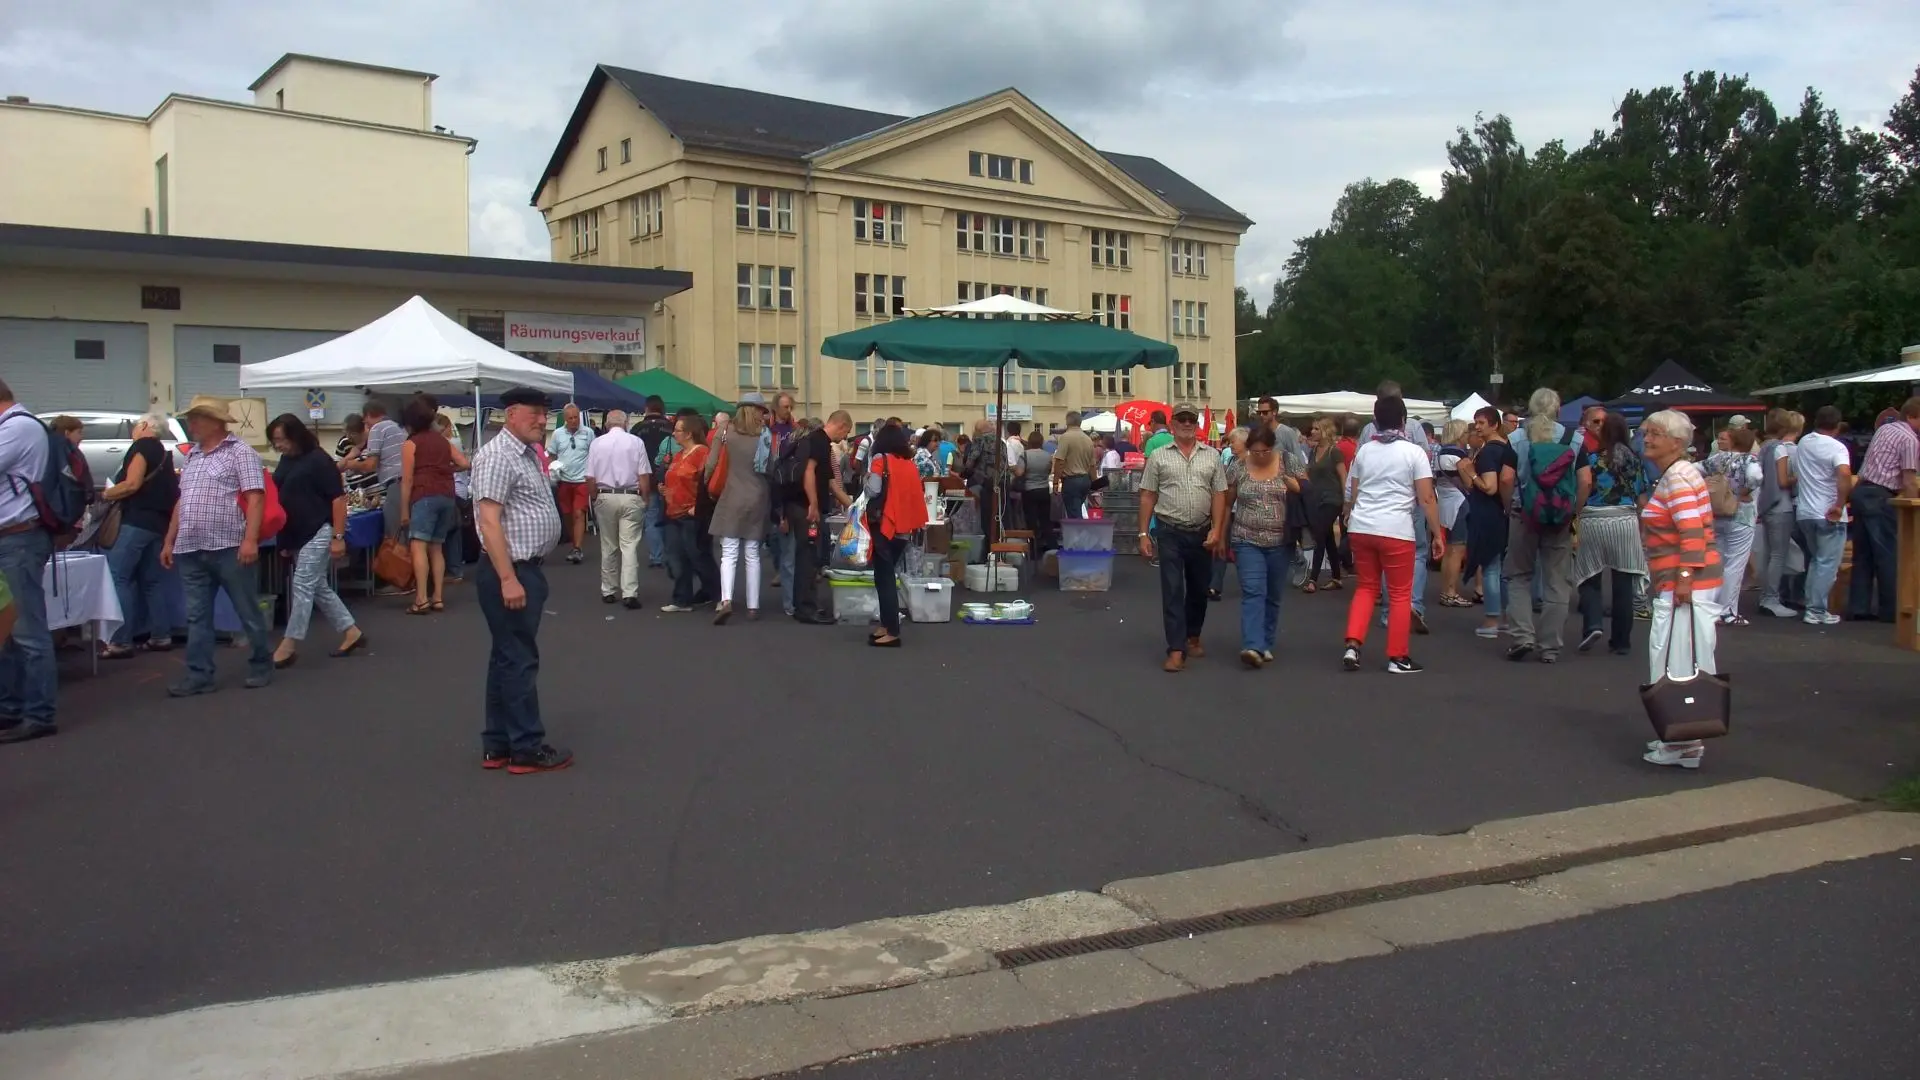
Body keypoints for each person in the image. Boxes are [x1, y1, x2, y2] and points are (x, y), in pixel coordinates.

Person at [470, 386, 571, 774]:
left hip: (524, 568)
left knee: (506, 656)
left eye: (545, 414)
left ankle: (498, 743)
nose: (543, 421)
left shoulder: (526, 453)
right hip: (511, 569)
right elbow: (488, 521)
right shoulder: (498, 455)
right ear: (511, 414)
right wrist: (508, 578)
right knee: (519, 659)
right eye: (535, 414)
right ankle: (526, 746)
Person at [161, 398, 274, 697]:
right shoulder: (193, 455)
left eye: (197, 418)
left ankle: (261, 663)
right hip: (191, 546)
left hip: (229, 545)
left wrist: (250, 540)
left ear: (216, 422)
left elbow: (255, 497)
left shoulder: (240, 452)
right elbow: (182, 500)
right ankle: (199, 674)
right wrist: (170, 540)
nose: (191, 424)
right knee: (197, 615)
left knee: (246, 608)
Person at [1638, 409, 1724, 770]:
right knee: (1682, 657)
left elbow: (1691, 531)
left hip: (1684, 582)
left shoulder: (1676, 478)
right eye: (1647, 432)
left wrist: (1684, 578)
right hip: (1685, 580)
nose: (1647, 438)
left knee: (1676, 661)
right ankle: (1682, 737)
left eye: (1655, 433)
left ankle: (1683, 740)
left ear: (1676, 442)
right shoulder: (1680, 473)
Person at [1340, 395, 1445, 674]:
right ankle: (1398, 656)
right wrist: (1437, 534)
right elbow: (1427, 498)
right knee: (1399, 594)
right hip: (1396, 529)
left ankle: (1352, 645)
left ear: (1375, 421)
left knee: (1366, 588)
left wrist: (1350, 514)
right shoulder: (1414, 453)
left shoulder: (1364, 451)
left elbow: (1353, 491)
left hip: (1362, 526)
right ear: (1403, 420)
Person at [267, 414, 362, 667]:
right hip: (297, 532)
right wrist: (284, 541)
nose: (278, 445)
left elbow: (338, 499)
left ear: (295, 435)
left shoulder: (319, 460)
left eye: (281, 439)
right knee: (317, 586)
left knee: (302, 584)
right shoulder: (287, 460)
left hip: (319, 529)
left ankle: (289, 643)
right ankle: (351, 630)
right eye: (275, 441)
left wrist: (338, 537)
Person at [1138, 404, 1228, 673]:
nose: (1187, 423)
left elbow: (1219, 494)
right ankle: (1176, 649)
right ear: (1172, 424)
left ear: (1196, 424)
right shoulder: (1158, 456)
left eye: (1191, 419)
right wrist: (1143, 533)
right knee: (1173, 589)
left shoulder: (1212, 456)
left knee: (1199, 588)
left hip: (1202, 531)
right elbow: (1147, 495)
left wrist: (1217, 529)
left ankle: (1193, 635)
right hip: (1170, 531)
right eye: (1182, 419)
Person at [0, 378, 58, 742]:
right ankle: (11, 707)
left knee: (26, 630)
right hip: (12, 538)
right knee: (8, 630)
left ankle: (39, 713)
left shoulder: (18, 427)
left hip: (19, 538)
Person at [1504, 387, 1578, 662]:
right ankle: (1550, 646)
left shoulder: (1516, 438)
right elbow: (1585, 480)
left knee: (1519, 576)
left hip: (1524, 513)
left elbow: (1506, 478)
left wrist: (1508, 506)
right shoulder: (1573, 438)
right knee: (1557, 581)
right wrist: (1574, 510)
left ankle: (1523, 636)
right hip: (1559, 516)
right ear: (1558, 409)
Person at [98, 411, 180, 659]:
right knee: (151, 581)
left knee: (119, 577)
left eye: (135, 425)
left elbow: (132, 484)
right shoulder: (164, 454)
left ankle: (120, 641)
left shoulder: (142, 447)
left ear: (144, 425)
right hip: (159, 524)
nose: (133, 429)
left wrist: (106, 495)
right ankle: (161, 635)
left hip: (136, 521)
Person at [1571, 411, 1650, 655]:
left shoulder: (1592, 459)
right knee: (1624, 582)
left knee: (1589, 576)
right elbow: (1642, 497)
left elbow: (1582, 485)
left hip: (1593, 518)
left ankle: (1593, 624)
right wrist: (1642, 528)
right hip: (1625, 519)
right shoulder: (1635, 460)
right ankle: (1621, 641)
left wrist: (1576, 514)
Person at [1226, 424, 1297, 667]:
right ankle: (1252, 645)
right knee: (1253, 591)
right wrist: (1219, 531)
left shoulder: (1288, 462)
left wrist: (1292, 484)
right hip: (1246, 538)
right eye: (1255, 452)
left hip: (1281, 540)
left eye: (1265, 451)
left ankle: (1266, 642)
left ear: (1272, 447)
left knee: (1273, 595)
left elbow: (1307, 490)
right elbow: (1227, 502)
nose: (1260, 456)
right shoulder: (1238, 466)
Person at [1847, 397, 1920, 622]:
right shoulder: (1910, 439)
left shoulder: (1885, 429)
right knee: (1888, 554)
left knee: (1863, 554)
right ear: (1912, 416)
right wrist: (1914, 510)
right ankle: (1892, 610)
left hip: (1862, 491)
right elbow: (1909, 480)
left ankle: (1858, 607)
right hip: (1881, 496)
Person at [399, 399, 468, 615]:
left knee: (418, 545)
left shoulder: (411, 444)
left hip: (424, 495)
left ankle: (421, 598)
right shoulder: (443, 441)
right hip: (447, 495)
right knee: (437, 547)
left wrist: (404, 510)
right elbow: (465, 463)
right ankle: (437, 597)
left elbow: (407, 480)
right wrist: (445, 470)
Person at [785, 411, 853, 625]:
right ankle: (805, 608)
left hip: (806, 507)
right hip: (807, 508)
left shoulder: (819, 443)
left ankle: (806, 604)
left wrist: (853, 507)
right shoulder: (819, 441)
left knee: (810, 555)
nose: (845, 438)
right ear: (841, 426)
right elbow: (809, 471)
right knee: (808, 556)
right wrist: (813, 503)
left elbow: (832, 484)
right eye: (846, 432)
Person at [864, 422, 927, 647]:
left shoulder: (880, 459)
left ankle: (892, 630)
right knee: (886, 575)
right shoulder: (909, 464)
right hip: (903, 527)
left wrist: (865, 479)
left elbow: (873, 490)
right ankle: (886, 624)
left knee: (885, 578)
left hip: (884, 524)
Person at [709, 393, 771, 624]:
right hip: (758, 494)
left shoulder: (725, 430)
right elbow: (769, 466)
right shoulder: (764, 434)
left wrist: (708, 484)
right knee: (752, 553)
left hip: (732, 494)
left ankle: (726, 600)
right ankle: (753, 606)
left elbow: (711, 463)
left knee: (729, 551)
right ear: (758, 411)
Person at [1790, 405, 1853, 627]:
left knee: (1816, 561)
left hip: (1805, 512)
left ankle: (1812, 605)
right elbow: (1844, 473)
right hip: (1828, 513)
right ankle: (1816, 610)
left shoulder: (1804, 442)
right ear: (1837, 426)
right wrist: (1840, 504)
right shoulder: (1837, 447)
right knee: (1827, 564)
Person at [583, 408, 652, 609]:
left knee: (608, 545)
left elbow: (590, 476)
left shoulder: (597, 443)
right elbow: (643, 475)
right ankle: (629, 592)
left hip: (605, 494)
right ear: (626, 422)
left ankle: (609, 590)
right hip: (631, 495)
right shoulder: (636, 442)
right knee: (629, 546)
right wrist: (645, 498)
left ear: (606, 424)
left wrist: (594, 497)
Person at [1462, 406, 1516, 639]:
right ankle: (1507, 618)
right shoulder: (1507, 448)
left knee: (1491, 567)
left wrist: (1470, 472)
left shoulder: (1488, 453)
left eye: (1482, 422)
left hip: (1488, 513)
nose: (1477, 427)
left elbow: (1490, 486)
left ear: (1494, 424)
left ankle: (1492, 619)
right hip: (1503, 512)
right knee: (1502, 569)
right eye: (1476, 422)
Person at [1701, 426, 1762, 625]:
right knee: (1735, 564)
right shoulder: (1749, 460)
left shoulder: (1718, 459)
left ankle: (1710, 606)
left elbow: (1695, 469)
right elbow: (1755, 477)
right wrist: (1745, 491)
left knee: (1717, 561)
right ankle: (1727, 611)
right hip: (1742, 516)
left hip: (1717, 513)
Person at [660, 413, 718, 612]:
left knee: (698, 556)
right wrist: (665, 489)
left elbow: (707, 482)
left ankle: (717, 593)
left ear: (689, 433)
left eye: (677, 430)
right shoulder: (679, 455)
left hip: (692, 513)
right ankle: (682, 599)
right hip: (673, 512)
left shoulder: (701, 453)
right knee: (677, 557)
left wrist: (699, 506)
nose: (674, 434)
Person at [1755, 409, 1803, 618]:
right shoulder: (1780, 449)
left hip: (1766, 506)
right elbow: (1783, 481)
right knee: (1778, 555)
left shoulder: (1764, 447)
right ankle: (1771, 599)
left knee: (1769, 554)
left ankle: (1766, 596)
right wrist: (1797, 478)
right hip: (1781, 506)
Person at [1301, 417, 1347, 592]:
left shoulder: (1334, 452)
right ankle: (1336, 577)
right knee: (1327, 537)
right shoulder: (1313, 451)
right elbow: (1308, 474)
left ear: (1325, 431)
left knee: (1320, 534)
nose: (1312, 432)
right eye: (1312, 429)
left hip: (1332, 499)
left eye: (1316, 429)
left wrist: (1346, 501)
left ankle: (1313, 578)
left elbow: (1343, 476)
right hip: (1316, 499)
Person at [546, 404, 595, 564]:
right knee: (567, 514)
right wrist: (550, 469)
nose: (574, 421)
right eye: (570, 418)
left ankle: (577, 548)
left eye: (576, 417)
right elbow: (551, 454)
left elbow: (594, 454)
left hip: (582, 480)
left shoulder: (588, 433)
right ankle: (574, 543)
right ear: (565, 419)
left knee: (579, 513)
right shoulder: (557, 434)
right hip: (564, 480)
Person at [633, 396, 676, 568]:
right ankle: (670, 554)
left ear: (647, 408)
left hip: (647, 478)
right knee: (669, 517)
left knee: (651, 518)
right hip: (668, 478)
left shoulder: (637, 429)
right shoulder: (671, 428)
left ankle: (656, 556)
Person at [1434, 419, 1472, 607]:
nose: (1468, 436)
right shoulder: (1459, 456)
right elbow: (1470, 483)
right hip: (1460, 502)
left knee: (1449, 549)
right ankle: (1451, 592)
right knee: (1457, 549)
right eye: (1465, 433)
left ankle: (1445, 591)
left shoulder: (1439, 454)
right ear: (1459, 435)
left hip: (1445, 502)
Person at [431, 413, 472, 582]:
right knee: (454, 531)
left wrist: (444, 470)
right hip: (458, 490)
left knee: (445, 533)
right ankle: (455, 568)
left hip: (452, 489)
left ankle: (451, 570)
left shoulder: (448, 443)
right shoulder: (454, 442)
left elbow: (463, 464)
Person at [1016, 428, 1055, 553]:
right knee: (1045, 520)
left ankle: (1033, 548)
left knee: (1031, 520)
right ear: (1041, 441)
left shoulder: (1025, 455)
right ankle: (1051, 546)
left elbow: (1019, 472)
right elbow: (1050, 471)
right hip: (1044, 490)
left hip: (1029, 491)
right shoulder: (1048, 456)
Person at [1053, 413, 1097, 519]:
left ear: (1067, 422)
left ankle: (1079, 529)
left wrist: (1055, 481)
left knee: (1074, 514)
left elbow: (1060, 461)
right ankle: (1079, 527)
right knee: (1077, 508)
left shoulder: (1065, 437)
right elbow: (1092, 465)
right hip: (1085, 480)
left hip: (1071, 481)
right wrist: (1095, 483)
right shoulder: (1088, 439)